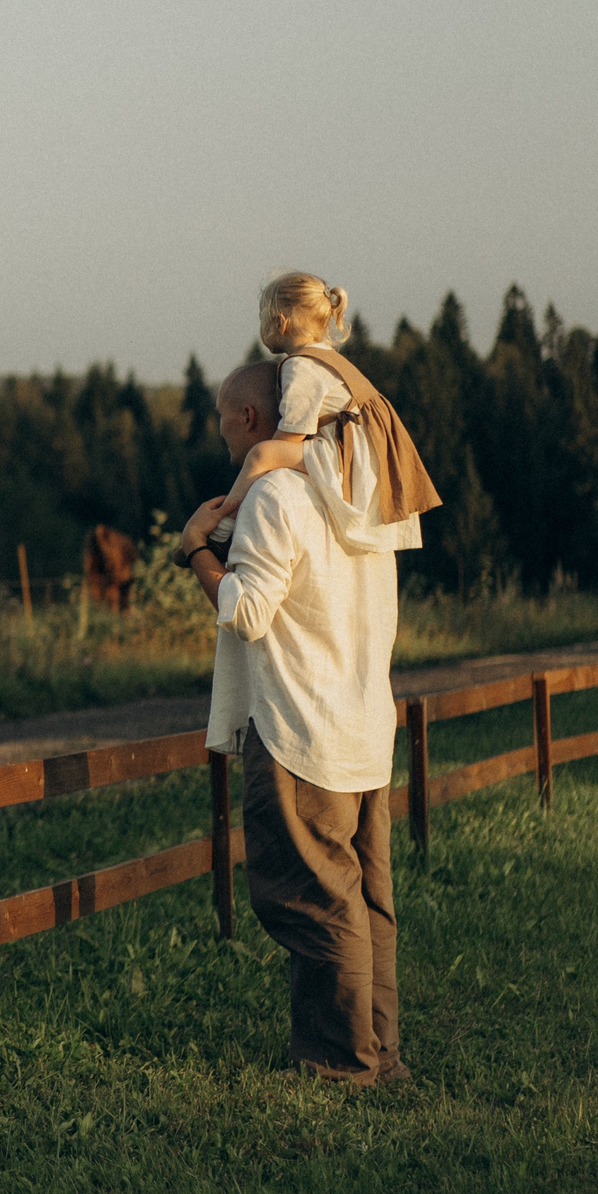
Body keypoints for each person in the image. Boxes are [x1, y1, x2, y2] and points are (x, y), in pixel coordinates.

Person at [182, 359, 407, 1085]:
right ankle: (380, 1051)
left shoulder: (277, 492)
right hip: (365, 723)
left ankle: (341, 1064)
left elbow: (247, 609)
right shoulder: (360, 493)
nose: (219, 429)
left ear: (252, 421)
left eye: (223, 415)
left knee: (316, 897)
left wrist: (195, 554)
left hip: (299, 727)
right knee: (367, 900)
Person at [190, 271, 440, 561]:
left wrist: (269, 454)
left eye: (263, 319)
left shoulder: (301, 366)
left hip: (345, 454)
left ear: (279, 323)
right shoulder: (328, 357)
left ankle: (223, 531)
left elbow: (294, 432)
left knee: (262, 455)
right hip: (361, 450)